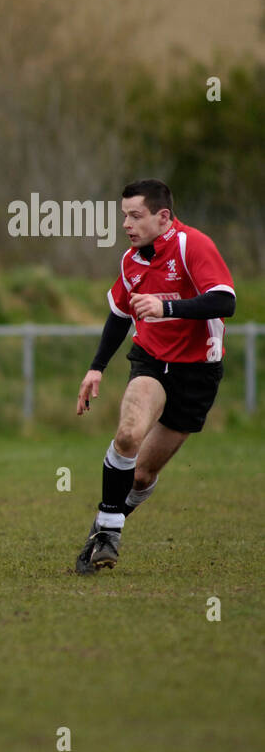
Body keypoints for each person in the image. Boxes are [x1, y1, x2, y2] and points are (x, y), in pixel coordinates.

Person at [73, 179, 235, 575]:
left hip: (198, 372)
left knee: (143, 474)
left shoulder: (192, 245)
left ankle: (104, 525)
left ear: (163, 216)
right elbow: (119, 315)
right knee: (128, 434)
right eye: (124, 215)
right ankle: (109, 533)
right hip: (151, 362)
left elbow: (224, 300)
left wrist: (168, 308)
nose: (126, 224)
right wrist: (96, 367)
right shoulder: (131, 261)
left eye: (135, 215)